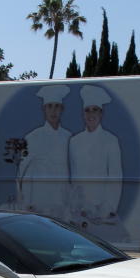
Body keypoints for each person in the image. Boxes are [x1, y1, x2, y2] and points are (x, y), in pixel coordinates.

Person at [69, 85, 123, 226]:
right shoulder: (74, 141)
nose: (91, 114)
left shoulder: (111, 140)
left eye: (95, 110)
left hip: (102, 213)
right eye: (87, 110)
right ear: (83, 113)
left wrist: (106, 209)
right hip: (80, 212)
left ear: (101, 113)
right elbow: (74, 178)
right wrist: (77, 207)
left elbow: (115, 177)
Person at [18, 85, 71, 218]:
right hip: (40, 203)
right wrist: (25, 202)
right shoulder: (32, 137)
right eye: (50, 106)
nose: (53, 111)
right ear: (44, 109)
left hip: (62, 203)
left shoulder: (69, 137)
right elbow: (21, 173)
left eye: (57, 106)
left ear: (62, 109)